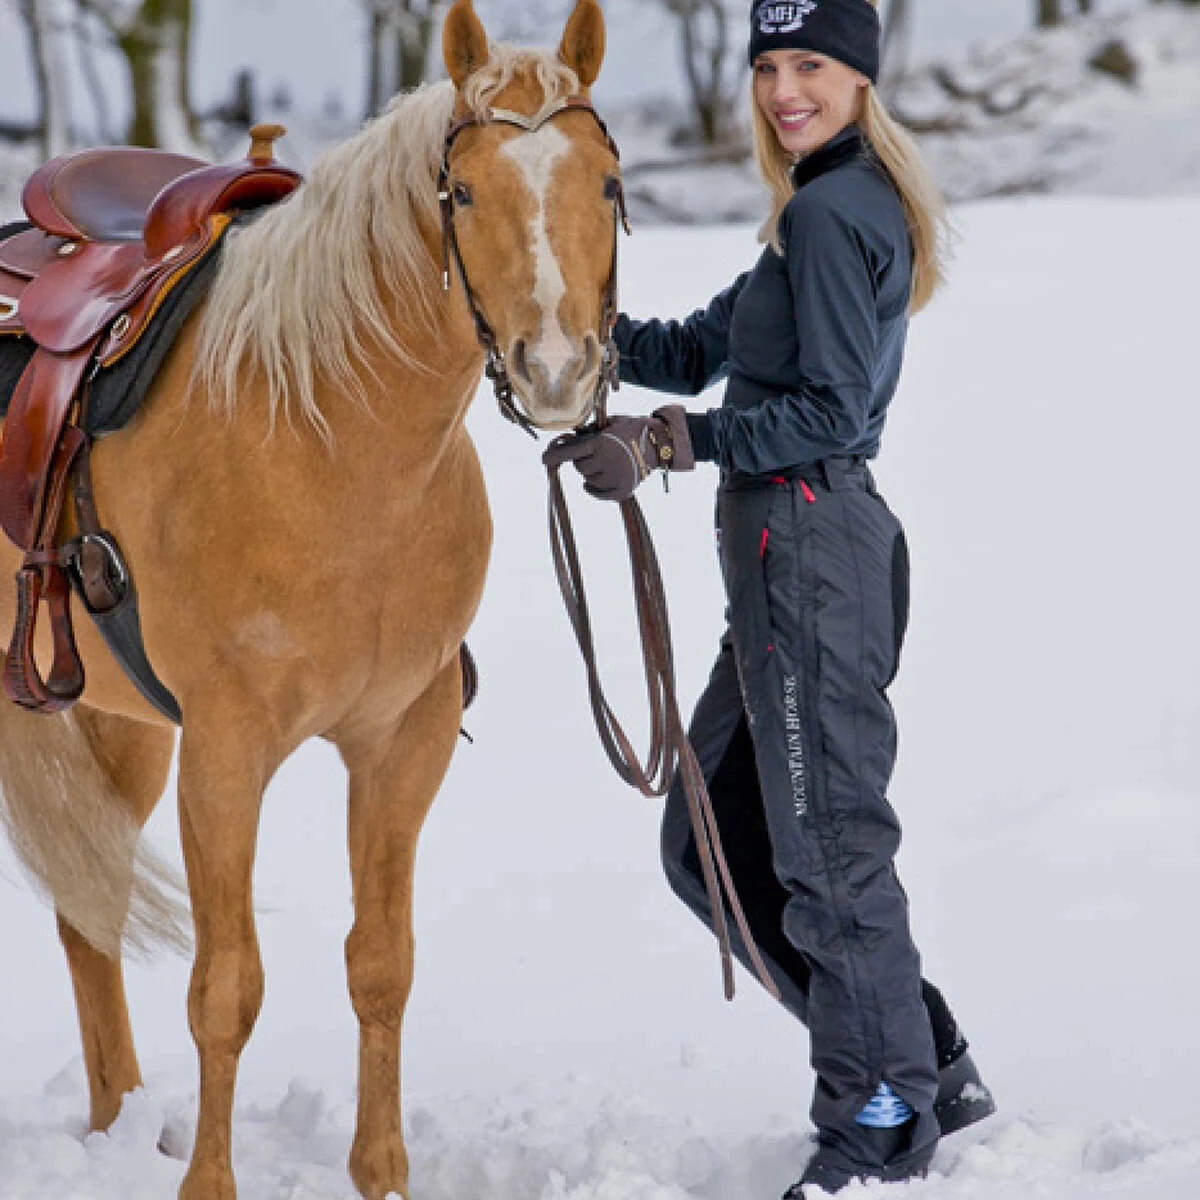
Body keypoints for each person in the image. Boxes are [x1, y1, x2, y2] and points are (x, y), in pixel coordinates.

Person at [543, 0, 995, 1194]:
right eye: (769, 67)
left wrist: (669, 444)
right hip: (780, 563)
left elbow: (831, 411)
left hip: (813, 553)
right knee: (711, 845)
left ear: (860, 78)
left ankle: (880, 1121)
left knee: (829, 856)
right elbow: (707, 347)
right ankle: (922, 1062)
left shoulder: (837, 210)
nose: (785, 89)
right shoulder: (813, 205)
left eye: (811, 65)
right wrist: (577, 334)